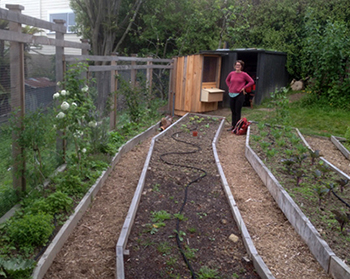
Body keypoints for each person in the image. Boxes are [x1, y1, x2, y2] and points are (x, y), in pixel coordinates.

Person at [225, 60, 254, 131]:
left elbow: (251, 81)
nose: (237, 66)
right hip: (231, 93)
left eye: (239, 65)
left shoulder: (244, 74)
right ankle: (233, 125)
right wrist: (230, 86)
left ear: (241, 67)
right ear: (234, 66)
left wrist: (244, 87)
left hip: (239, 94)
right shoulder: (231, 74)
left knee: (238, 111)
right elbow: (227, 80)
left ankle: (237, 127)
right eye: (236, 65)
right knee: (233, 110)